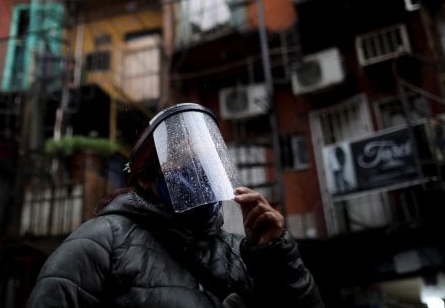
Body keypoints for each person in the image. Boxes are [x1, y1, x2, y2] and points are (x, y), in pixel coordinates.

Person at [27, 103, 324, 307]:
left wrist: (278, 260)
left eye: (207, 164)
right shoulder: (100, 243)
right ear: (147, 178)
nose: (201, 175)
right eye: (186, 164)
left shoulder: (240, 252)